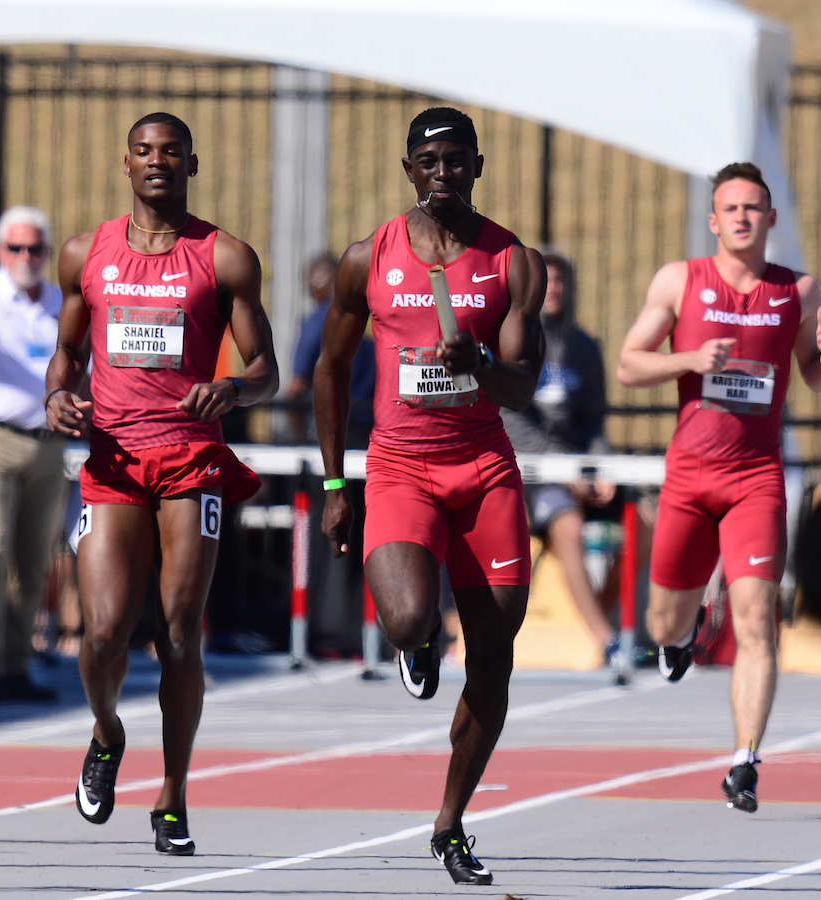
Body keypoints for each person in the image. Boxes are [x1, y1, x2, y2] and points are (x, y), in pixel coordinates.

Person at [314, 106, 545, 885]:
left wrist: (477, 360)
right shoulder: (367, 258)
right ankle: (416, 645)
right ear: (408, 170)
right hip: (401, 467)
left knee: (495, 659)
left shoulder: (512, 262)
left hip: (483, 469)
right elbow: (329, 370)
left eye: (458, 160)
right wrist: (335, 481)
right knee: (411, 617)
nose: (444, 172)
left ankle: (450, 820)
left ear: (478, 167)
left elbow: (523, 384)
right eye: (429, 161)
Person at [46, 112, 277, 856]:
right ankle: (107, 732)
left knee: (178, 635)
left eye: (170, 152)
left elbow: (265, 368)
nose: (157, 163)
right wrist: (58, 397)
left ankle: (173, 798)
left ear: (191, 164)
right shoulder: (86, 252)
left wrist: (233, 392)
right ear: (126, 163)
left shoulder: (226, 257)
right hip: (113, 459)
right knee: (105, 630)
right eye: (144, 152)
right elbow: (65, 351)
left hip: (190, 459)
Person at [617, 162, 821, 814]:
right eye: (732, 208)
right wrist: (688, 360)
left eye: (755, 208)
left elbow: (813, 377)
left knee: (757, 624)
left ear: (771, 219)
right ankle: (682, 636)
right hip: (690, 478)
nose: (744, 218)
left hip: (755, 480)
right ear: (714, 220)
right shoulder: (680, 280)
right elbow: (630, 365)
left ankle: (745, 760)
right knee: (662, 620)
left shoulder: (796, 291)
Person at [0, 206, 68, 702]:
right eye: (16, 248)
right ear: (0, 251)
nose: (26, 258)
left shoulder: (62, 301)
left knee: (35, 560)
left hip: (49, 442)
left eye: (36, 249)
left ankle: (18, 664)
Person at [500, 252, 634, 667]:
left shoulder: (584, 347)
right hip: (531, 474)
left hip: (577, 469)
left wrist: (601, 466)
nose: (553, 289)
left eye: (560, 281)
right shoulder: (512, 339)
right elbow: (512, 421)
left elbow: (593, 423)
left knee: (639, 521)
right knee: (568, 524)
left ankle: (619, 622)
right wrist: (567, 469)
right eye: (547, 281)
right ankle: (605, 637)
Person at [286, 253, 375, 445]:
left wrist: (297, 438)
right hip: (371, 425)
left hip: (331, 428)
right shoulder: (371, 313)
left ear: (318, 283)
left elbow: (296, 386)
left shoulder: (318, 320)